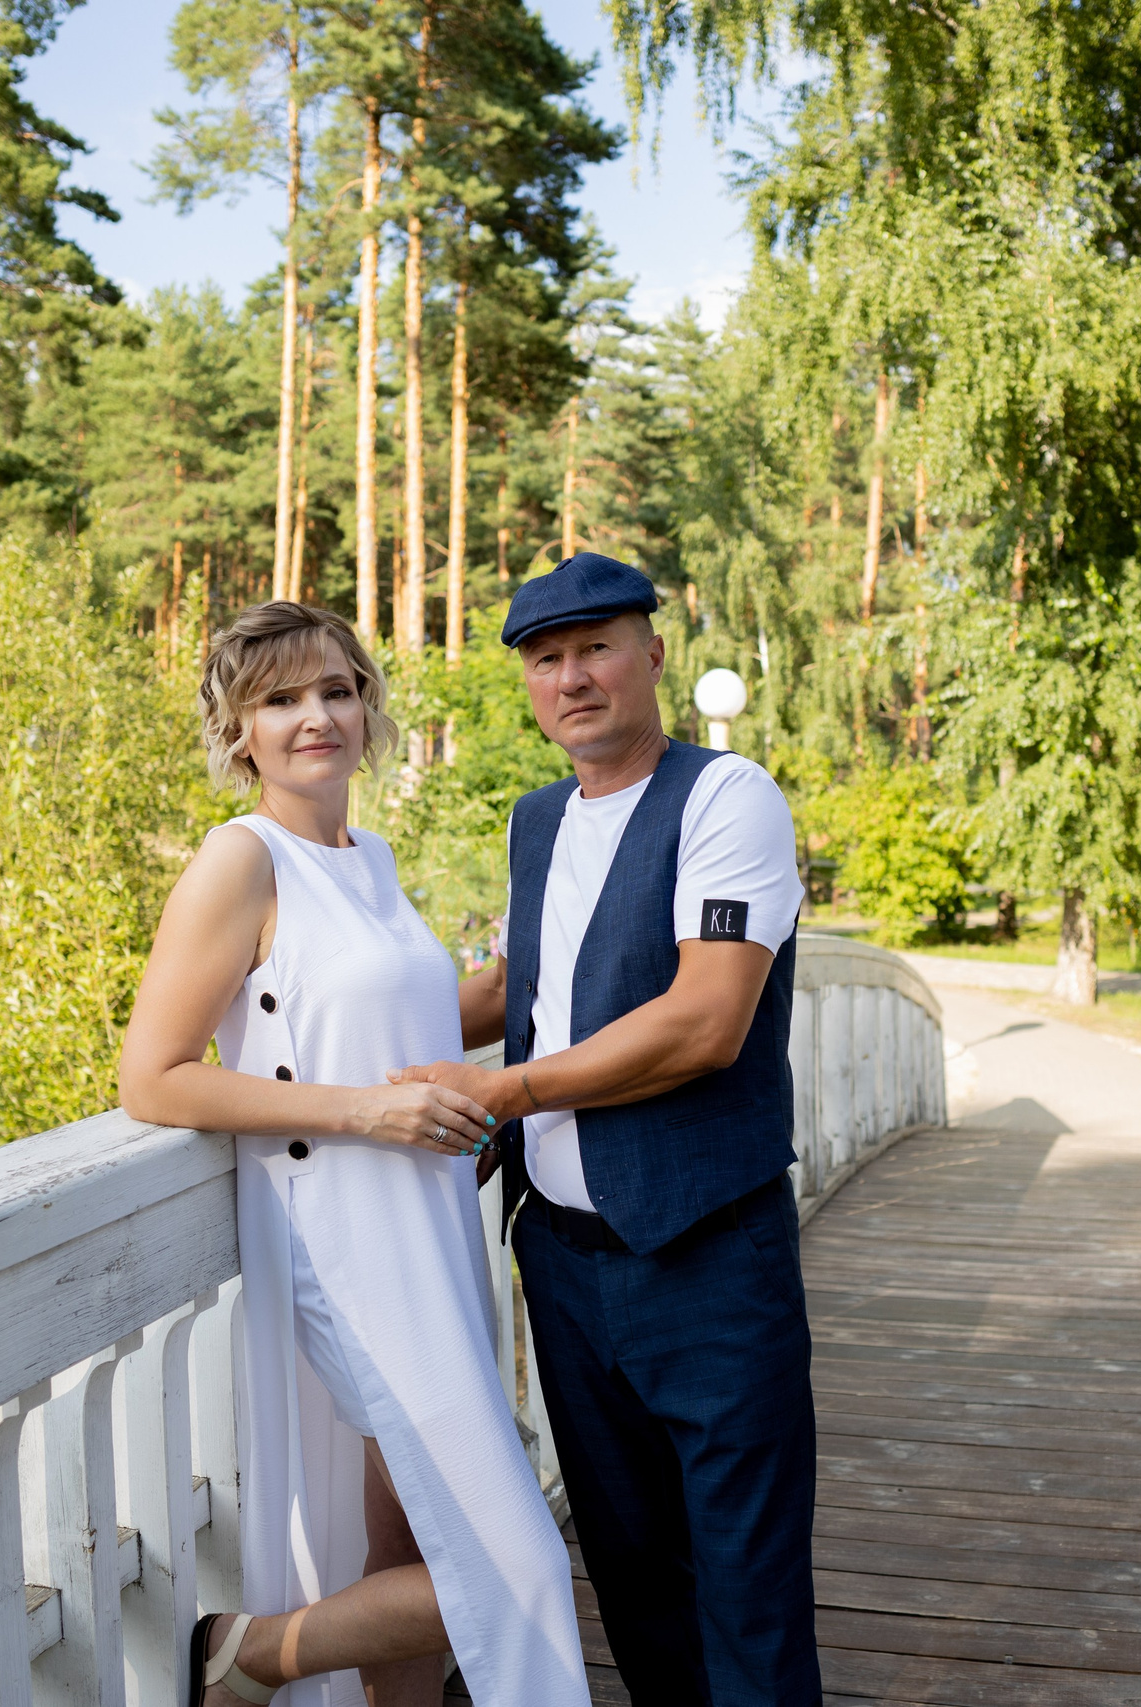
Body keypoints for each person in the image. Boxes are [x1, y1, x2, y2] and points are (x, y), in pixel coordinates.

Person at [118, 602, 589, 1707]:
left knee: (410, 1547)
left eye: (336, 690)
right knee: (512, 1565)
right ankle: (248, 1652)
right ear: (239, 733)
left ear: (368, 707)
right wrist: (363, 1116)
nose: (316, 716)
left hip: (429, 1238)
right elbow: (153, 1077)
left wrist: (573, 960)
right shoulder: (241, 862)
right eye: (280, 700)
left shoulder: (367, 859)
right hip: (347, 1249)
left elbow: (418, 1021)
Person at [399, 554, 820, 1706]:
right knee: (633, 1576)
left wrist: (504, 1092)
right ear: (529, 687)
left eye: (596, 648)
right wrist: (345, 1044)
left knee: (745, 1578)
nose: (573, 677)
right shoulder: (538, 821)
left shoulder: (726, 798)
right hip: (567, 1262)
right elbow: (515, 988)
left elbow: (703, 1023)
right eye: (547, 661)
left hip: (705, 1253)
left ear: (652, 655)